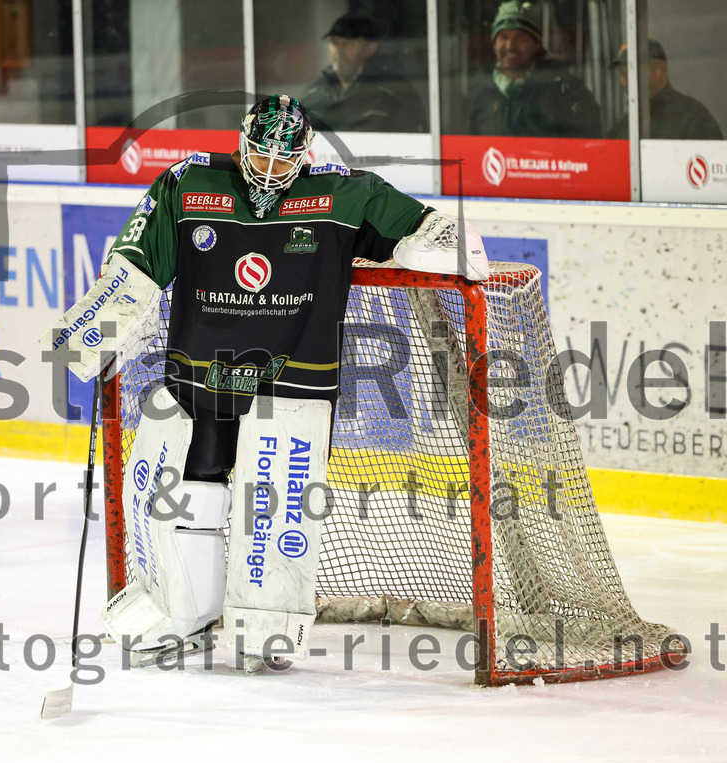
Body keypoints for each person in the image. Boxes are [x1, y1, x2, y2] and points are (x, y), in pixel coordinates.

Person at [43, 95, 488, 673]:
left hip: (294, 379)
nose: (271, 170)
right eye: (260, 153)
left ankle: (268, 624)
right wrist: (91, 335)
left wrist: (455, 243)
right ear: (241, 141)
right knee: (178, 488)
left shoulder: (347, 192)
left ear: (306, 153)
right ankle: (184, 611)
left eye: (285, 160)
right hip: (203, 375)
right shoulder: (187, 183)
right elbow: (135, 264)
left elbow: (424, 225)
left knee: (274, 504)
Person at [465, 1, 601, 138]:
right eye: (503, 37)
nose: (510, 46)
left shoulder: (566, 90)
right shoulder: (478, 91)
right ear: (494, 43)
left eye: (519, 38)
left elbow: (588, 144)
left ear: (536, 44)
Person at [301, 13, 427, 133]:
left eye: (349, 43)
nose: (339, 51)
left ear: (370, 48)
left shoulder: (394, 91)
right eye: (335, 43)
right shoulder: (314, 92)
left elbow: (414, 141)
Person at [608, 39, 722, 140]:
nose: (623, 82)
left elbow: (714, 158)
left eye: (629, 73)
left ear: (659, 71)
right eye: (622, 74)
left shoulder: (693, 117)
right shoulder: (623, 126)